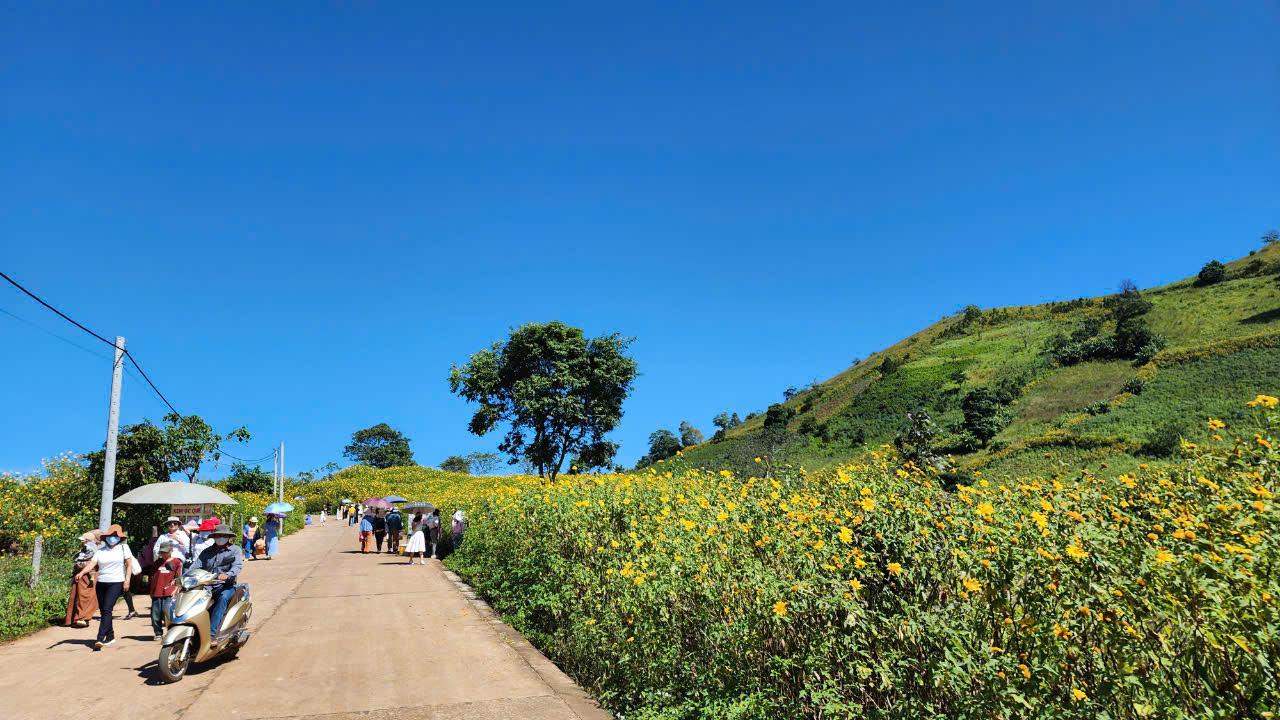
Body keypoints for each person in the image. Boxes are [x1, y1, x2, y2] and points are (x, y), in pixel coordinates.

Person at [73, 524, 135, 649]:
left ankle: (100, 637)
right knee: (104, 611)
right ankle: (110, 636)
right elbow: (92, 564)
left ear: (120, 538)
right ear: (106, 537)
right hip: (101, 582)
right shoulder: (100, 551)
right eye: (110, 535)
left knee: (107, 608)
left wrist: (127, 580)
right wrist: (82, 572)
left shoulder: (124, 548)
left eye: (115, 536)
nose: (112, 538)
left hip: (116, 582)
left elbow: (129, 565)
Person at [193, 525, 243, 645]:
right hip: (207, 585)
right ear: (214, 537)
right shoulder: (206, 552)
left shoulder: (234, 550)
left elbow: (237, 566)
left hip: (226, 586)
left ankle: (212, 634)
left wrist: (228, 574)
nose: (221, 537)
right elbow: (194, 566)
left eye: (224, 535)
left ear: (228, 537)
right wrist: (183, 577)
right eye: (218, 535)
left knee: (223, 598)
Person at [148, 540, 183, 641]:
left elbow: (178, 577)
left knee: (167, 613)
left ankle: (171, 632)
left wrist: (176, 588)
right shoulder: (157, 563)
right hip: (157, 592)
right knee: (155, 614)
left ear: (171, 551)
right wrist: (151, 591)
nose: (163, 554)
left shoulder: (176, 562)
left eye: (165, 552)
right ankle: (158, 633)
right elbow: (152, 577)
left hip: (169, 592)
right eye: (162, 552)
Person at [65, 530, 100, 628]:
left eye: (84, 540)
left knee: (85, 596)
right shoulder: (85, 549)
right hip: (80, 576)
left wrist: (81, 566)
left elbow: (91, 563)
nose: (82, 542)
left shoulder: (91, 549)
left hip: (88, 576)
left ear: (88, 540)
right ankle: (73, 619)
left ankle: (83, 618)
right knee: (76, 596)